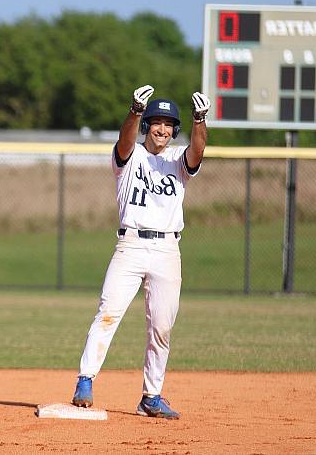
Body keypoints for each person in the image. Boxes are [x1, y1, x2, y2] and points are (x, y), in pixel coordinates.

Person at [71, 85, 211, 419]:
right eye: (155, 121)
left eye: (168, 123)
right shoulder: (130, 155)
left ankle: (152, 396)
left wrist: (200, 120)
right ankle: (85, 380)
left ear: (175, 129)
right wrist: (135, 110)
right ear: (147, 125)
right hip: (130, 245)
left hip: (167, 249)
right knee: (108, 313)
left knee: (161, 326)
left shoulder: (178, 160)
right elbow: (123, 141)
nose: (161, 129)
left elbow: (198, 150)